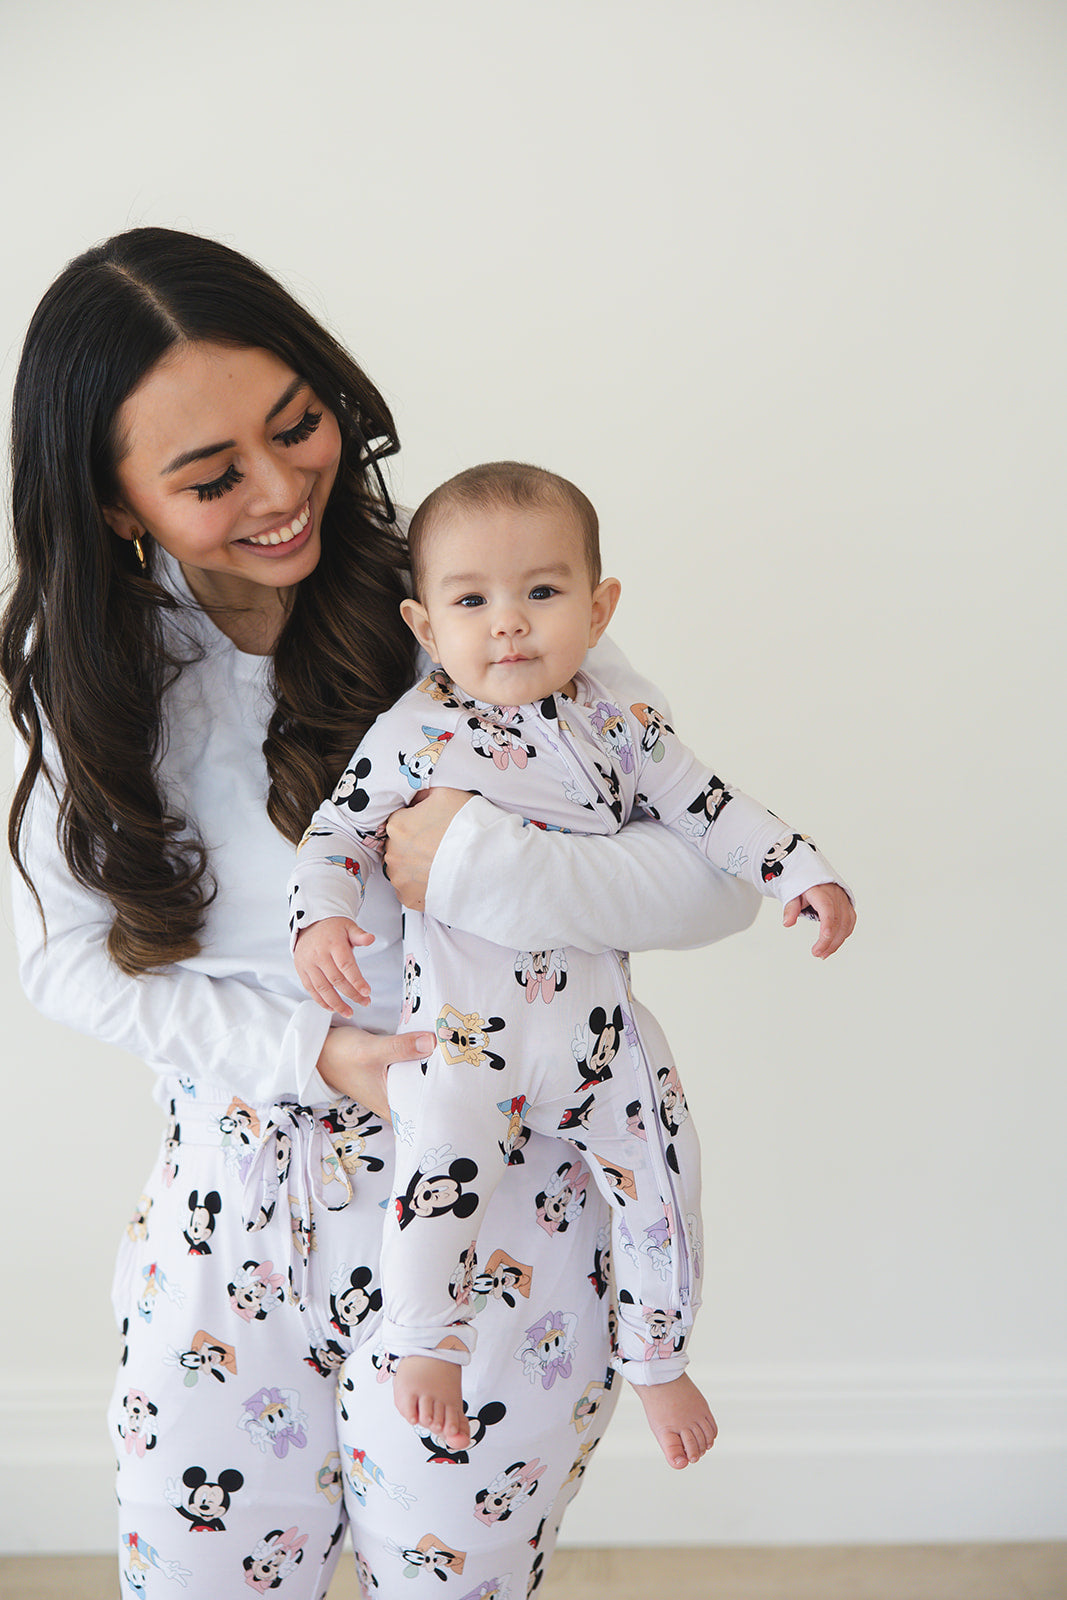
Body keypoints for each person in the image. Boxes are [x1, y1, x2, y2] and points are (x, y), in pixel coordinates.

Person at [2, 230, 763, 1598]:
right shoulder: (84, 679)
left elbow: (714, 878)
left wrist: (479, 866)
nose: (281, 488)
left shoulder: (478, 594)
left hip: (497, 1212)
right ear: (115, 504)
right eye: (209, 476)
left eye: (297, 425)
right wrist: (312, 1055)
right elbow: (62, 964)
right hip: (228, 1218)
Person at [289, 460, 855, 1474]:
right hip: (464, 1041)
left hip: (598, 1035)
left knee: (664, 1170)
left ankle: (659, 1356)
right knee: (434, 1171)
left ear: (597, 610)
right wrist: (320, 921)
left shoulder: (621, 724)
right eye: (471, 602)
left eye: (541, 592)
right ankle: (425, 1344)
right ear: (425, 626)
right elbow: (336, 833)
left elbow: (710, 810)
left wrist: (796, 871)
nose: (508, 622)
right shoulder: (413, 734)